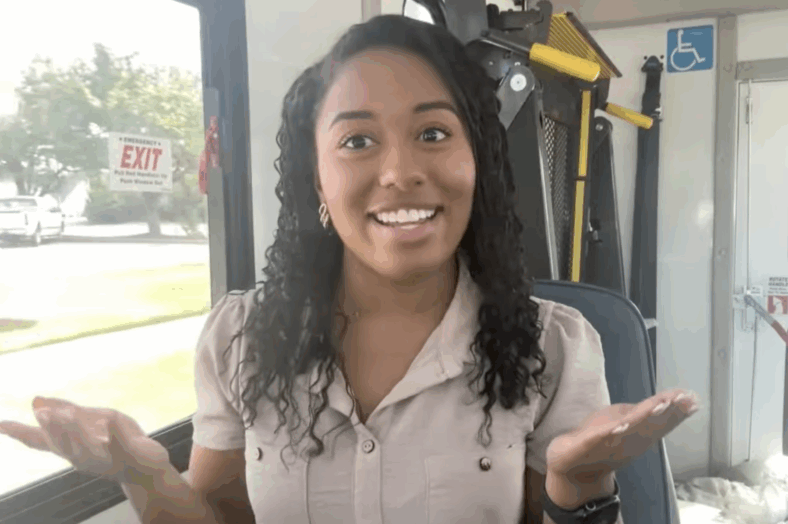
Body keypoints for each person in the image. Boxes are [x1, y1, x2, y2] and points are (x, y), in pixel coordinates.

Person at [0, 15, 698, 524]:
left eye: (433, 133)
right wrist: (143, 473)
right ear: (317, 180)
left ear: (477, 162)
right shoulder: (240, 339)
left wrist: (580, 485)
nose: (399, 172)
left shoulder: (555, 348)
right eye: (358, 141)